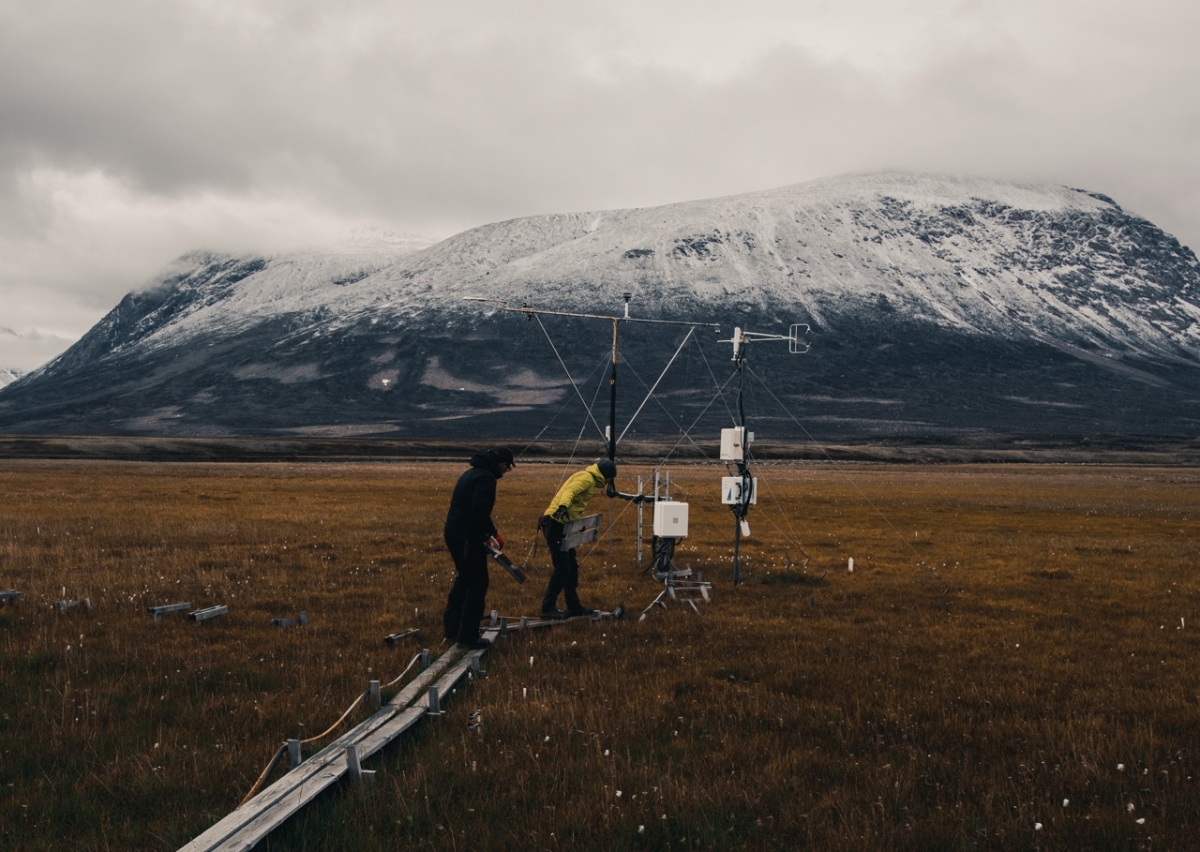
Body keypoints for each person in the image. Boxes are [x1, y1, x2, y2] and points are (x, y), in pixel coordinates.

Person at [538, 457, 630, 619]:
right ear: (605, 476)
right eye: (609, 479)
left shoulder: (587, 477)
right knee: (563, 568)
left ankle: (573, 606)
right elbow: (570, 491)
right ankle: (547, 608)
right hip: (556, 523)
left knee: (571, 567)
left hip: (562, 525)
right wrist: (563, 507)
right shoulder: (586, 479)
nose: (609, 482)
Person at [442, 447, 515, 649]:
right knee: (477, 583)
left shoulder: (471, 473)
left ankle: (452, 628)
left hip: (455, 533)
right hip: (467, 537)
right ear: (501, 464)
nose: (505, 472)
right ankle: (467, 637)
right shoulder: (486, 478)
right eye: (507, 468)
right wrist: (492, 534)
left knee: (464, 579)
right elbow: (479, 511)